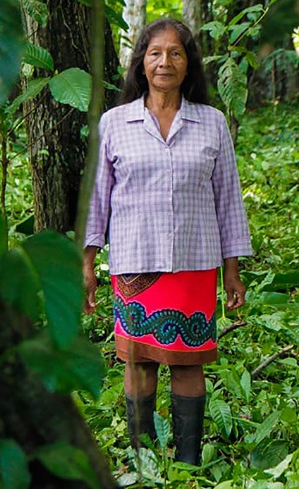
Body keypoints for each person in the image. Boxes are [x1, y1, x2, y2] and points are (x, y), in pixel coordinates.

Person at [83, 18, 253, 466]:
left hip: (194, 261)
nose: (165, 62)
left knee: (187, 361)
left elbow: (228, 197)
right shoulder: (115, 123)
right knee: (139, 361)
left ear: (188, 64)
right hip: (135, 263)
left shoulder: (211, 123)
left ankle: (188, 464)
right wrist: (86, 262)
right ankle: (143, 461)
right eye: (155, 53)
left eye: (175, 53)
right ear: (141, 63)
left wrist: (232, 269)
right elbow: (97, 198)